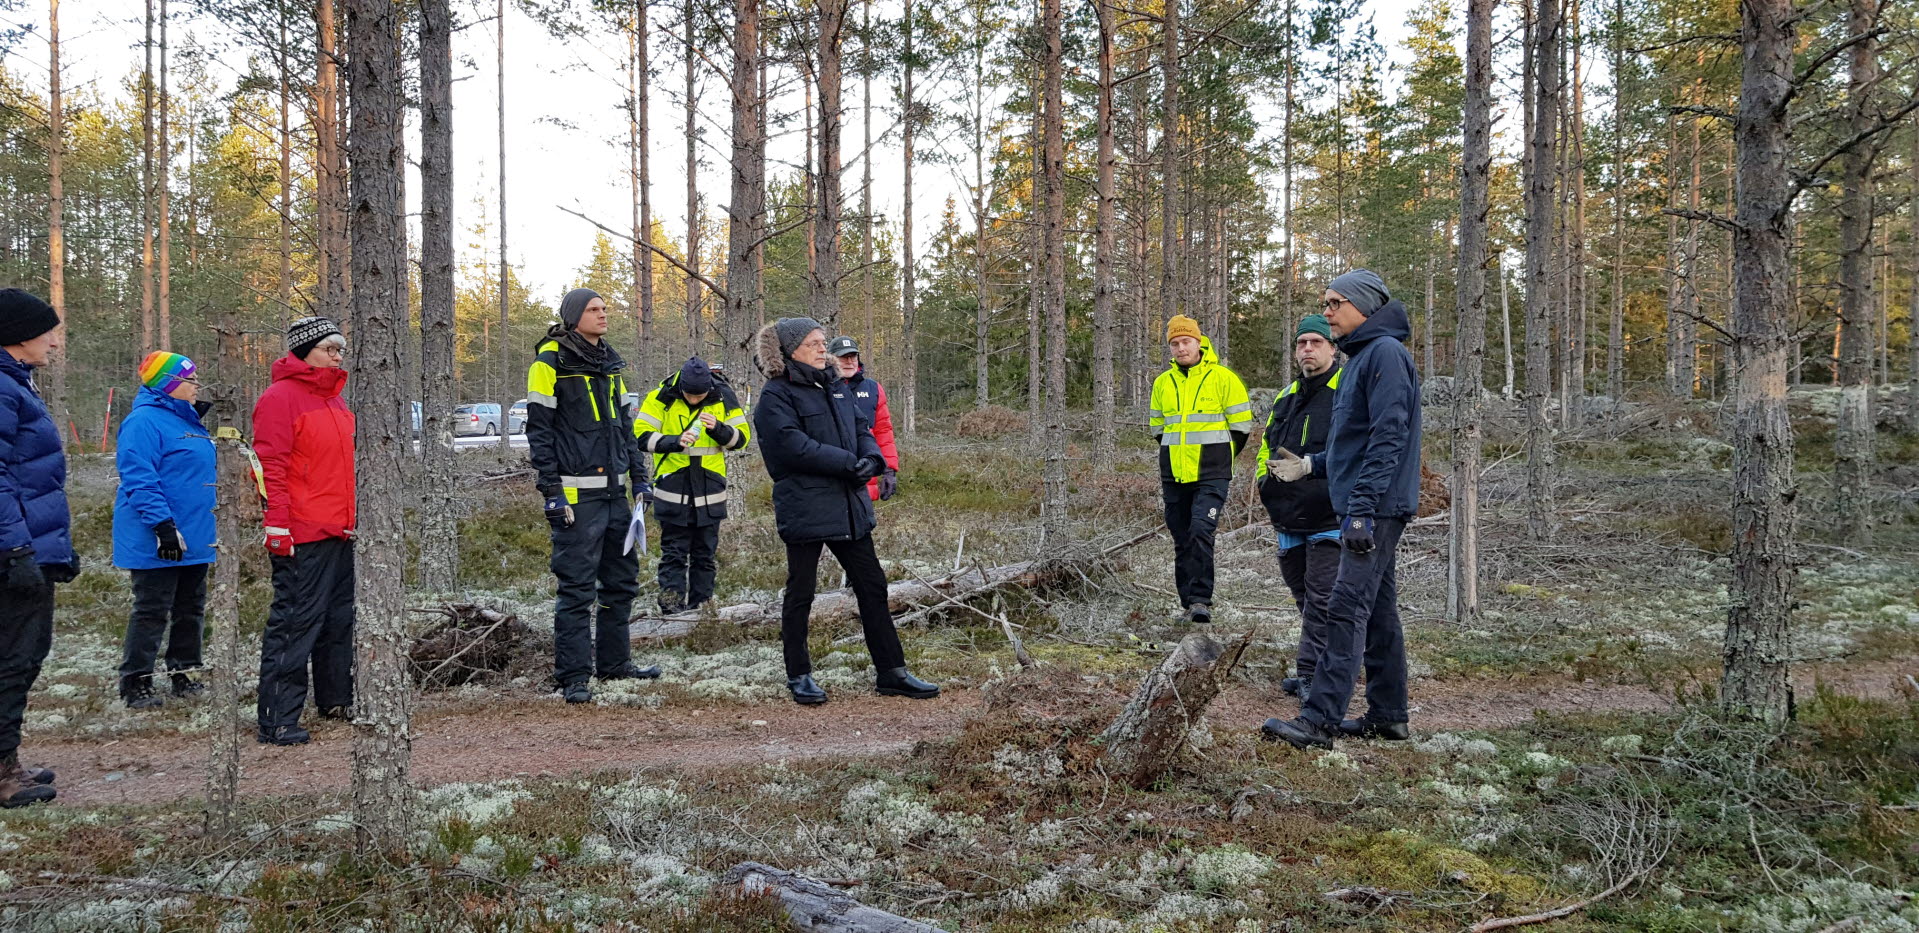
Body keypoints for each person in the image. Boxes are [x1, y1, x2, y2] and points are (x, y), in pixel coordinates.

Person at [1262, 270, 1422, 749]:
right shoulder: (1361, 357)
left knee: (1344, 606)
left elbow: (1387, 437)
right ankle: (1389, 715)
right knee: (1378, 613)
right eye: (1326, 303)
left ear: (1364, 306)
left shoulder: (1386, 356)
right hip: (1367, 503)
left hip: (1374, 508)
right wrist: (1311, 464)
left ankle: (1318, 720)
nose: (1327, 311)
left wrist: (1361, 511)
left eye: (1335, 303)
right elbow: (1353, 443)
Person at [753, 318, 937, 706]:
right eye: (813, 343)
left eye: (823, 342)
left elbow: (862, 427)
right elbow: (789, 447)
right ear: (789, 350)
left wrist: (873, 459)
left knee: (873, 586)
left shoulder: (836, 387)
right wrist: (847, 462)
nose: (823, 348)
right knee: (801, 591)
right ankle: (799, 674)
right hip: (806, 505)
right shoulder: (776, 395)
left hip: (849, 504)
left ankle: (892, 672)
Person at [526, 288, 658, 704]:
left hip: (616, 497)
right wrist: (551, 491)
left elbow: (625, 427)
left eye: (604, 308)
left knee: (621, 584)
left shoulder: (610, 364)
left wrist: (639, 479)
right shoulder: (549, 363)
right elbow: (539, 433)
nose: (603, 315)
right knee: (577, 589)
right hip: (575, 499)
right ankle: (574, 675)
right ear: (573, 316)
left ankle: (615, 664)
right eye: (593, 310)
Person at [252, 317, 358, 746]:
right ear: (304, 350)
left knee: (338, 621)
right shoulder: (280, 399)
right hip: (302, 534)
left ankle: (335, 699)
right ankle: (277, 715)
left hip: (339, 530)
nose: (336, 356)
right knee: (296, 622)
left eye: (340, 350)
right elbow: (269, 466)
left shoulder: (335, 402)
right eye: (329, 349)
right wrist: (276, 524)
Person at [0, 288, 72, 808]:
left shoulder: (15, 385)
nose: (53, 340)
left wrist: (53, 549)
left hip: (30, 545)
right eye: (47, 330)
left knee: (25, 656)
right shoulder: (2, 390)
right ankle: (3, 772)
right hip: (13, 550)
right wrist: (17, 551)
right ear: (20, 335)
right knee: (12, 658)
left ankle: (8, 760)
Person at [112, 351, 216, 710]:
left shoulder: (189, 422)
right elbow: (139, 477)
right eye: (189, 380)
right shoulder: (144, 422)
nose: (195, 385)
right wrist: (163, 526)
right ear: (168, 383)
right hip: (157, 534)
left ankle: (183, 674)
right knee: (152, 609)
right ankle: (136, 682)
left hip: (196, 535)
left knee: (191, 608)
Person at [1257, 316, 1343, 705]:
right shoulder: (1286, 396)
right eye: (1302, 343)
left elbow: (1355, 448)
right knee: (1303, 598)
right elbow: (1266, 446)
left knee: (1322, 598)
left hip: (1331, 516)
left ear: (1332, 347)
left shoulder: (1347, 388)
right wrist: (1263, 483)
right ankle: (1323, 665)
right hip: (1288, 516)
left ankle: (1312, 674)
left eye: (1316, 342)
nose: (1308, 349)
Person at [1148, 314, 1254, 625]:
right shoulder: (1162, 383)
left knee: (1200, 530)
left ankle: (1200, 600)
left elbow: (1241, 428)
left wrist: (1220, 457)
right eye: (1175, 343)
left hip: (1212, 473)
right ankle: (1187, 603)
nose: (1181, 348)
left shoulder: (1223, 378)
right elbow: (1158, 428)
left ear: (1199, 342)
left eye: (1186, 342)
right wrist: (1177, 456)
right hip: (1174, 474)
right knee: (1181, 535)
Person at [636, 356, 750, 614]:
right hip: (673, 489)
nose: (694, 400)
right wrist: (673, 441)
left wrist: (719, 430)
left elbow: (742, 438)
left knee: (705, 557)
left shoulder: (723, 396)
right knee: (673, 555)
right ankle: (671, 611)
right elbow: (640, 435)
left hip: (710, 492)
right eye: (689, 395)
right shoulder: (661, 396)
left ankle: (701, 611)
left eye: (700, 396)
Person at [828, 337, 899, 502]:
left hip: (865, 482)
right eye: (843, 357)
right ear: (831, 359)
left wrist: (889, 470)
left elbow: (883, 432)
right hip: (831, 481)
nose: (849, 361)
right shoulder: (822, 388)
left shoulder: (873, 389)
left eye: (853, 356)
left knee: (864, 526)